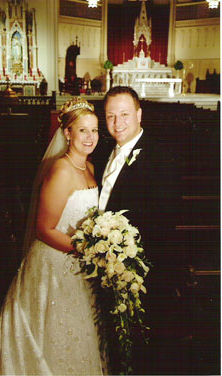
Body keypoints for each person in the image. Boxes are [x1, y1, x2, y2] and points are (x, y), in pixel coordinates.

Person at [0, 97, 104, 375]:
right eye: (83, 130)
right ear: (67, 133)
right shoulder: (60, 170)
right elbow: (43, 229)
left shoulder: (91, 169)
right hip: (55, 266)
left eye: (94, 130)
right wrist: (85, 248)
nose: (90, 137)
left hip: (82, 267)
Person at [95, 86, 180, 375]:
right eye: (110, 116)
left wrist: (126, 261)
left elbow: (163, 223)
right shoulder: (103, 151)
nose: (117, 123)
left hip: (140, 276)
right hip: (108, 269)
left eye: (124, 115)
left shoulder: (160, 157)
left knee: (142, 352)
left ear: (139, 114)